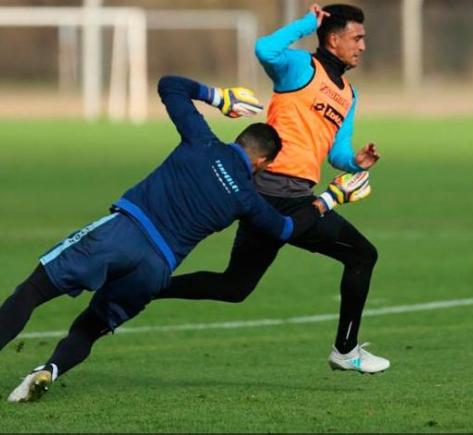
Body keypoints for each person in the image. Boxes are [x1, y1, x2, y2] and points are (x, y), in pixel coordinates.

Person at [1, 75, 370, 403]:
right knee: (90, 327)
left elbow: (169, 85)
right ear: (264, 164)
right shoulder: (246, 198)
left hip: (122, 234)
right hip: (155, 269)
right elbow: (286, 229)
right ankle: (49, 369)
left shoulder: (201, 141)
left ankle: (42, 366)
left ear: (240, 138)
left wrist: (219, 98)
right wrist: (330, 198)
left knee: (31, 292)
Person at [155, 3, 388, 374]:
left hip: (282, 196)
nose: (362, 45)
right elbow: (265, 49)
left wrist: (353, 162)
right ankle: (345, 351)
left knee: (235, 287)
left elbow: (336, 150)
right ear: (332, 38)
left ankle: (148, 285)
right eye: (356, 37)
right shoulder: (299, 68)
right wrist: (306, 23)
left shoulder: (348, 94)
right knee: (362, 255)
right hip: (278, 193)